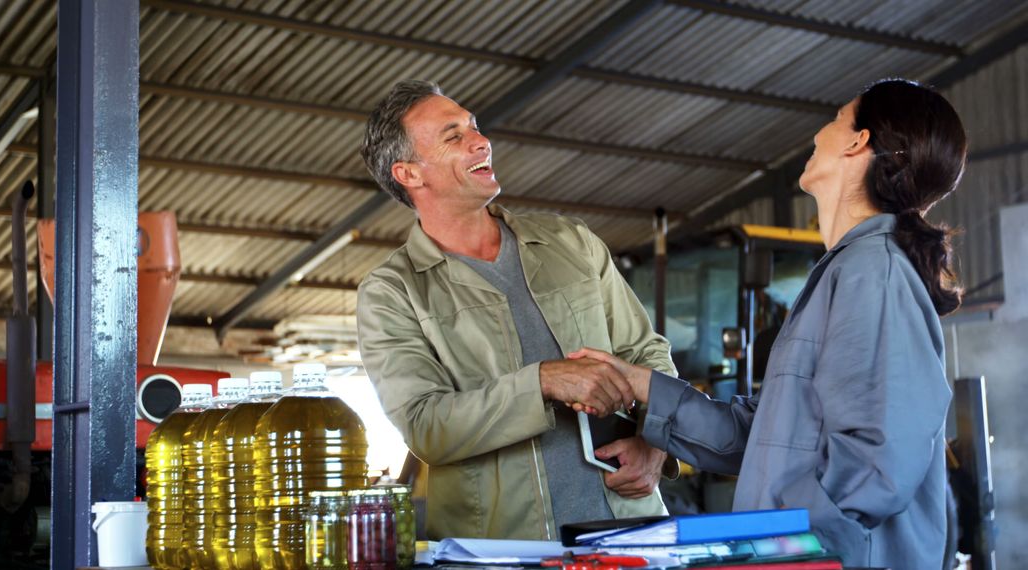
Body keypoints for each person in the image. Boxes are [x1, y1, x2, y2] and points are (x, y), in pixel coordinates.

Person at [571, 79, 965, 569]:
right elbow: (764, 437)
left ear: (856, 141)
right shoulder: (845, 272)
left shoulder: (873, 274)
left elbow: (875, 463)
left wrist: (785, 547)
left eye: (835, 118)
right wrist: (645, 386)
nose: (818, 133)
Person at [356, 80, 676, 540]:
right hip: (502, 549)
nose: (481, 141)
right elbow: (426, 426)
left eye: (475, 127)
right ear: (409, 174)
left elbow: (647, 353)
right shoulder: (392, 292)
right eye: (454, 136)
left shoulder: (572, 243)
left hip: (632, 532)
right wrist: (543, 380)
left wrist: (655, 443)